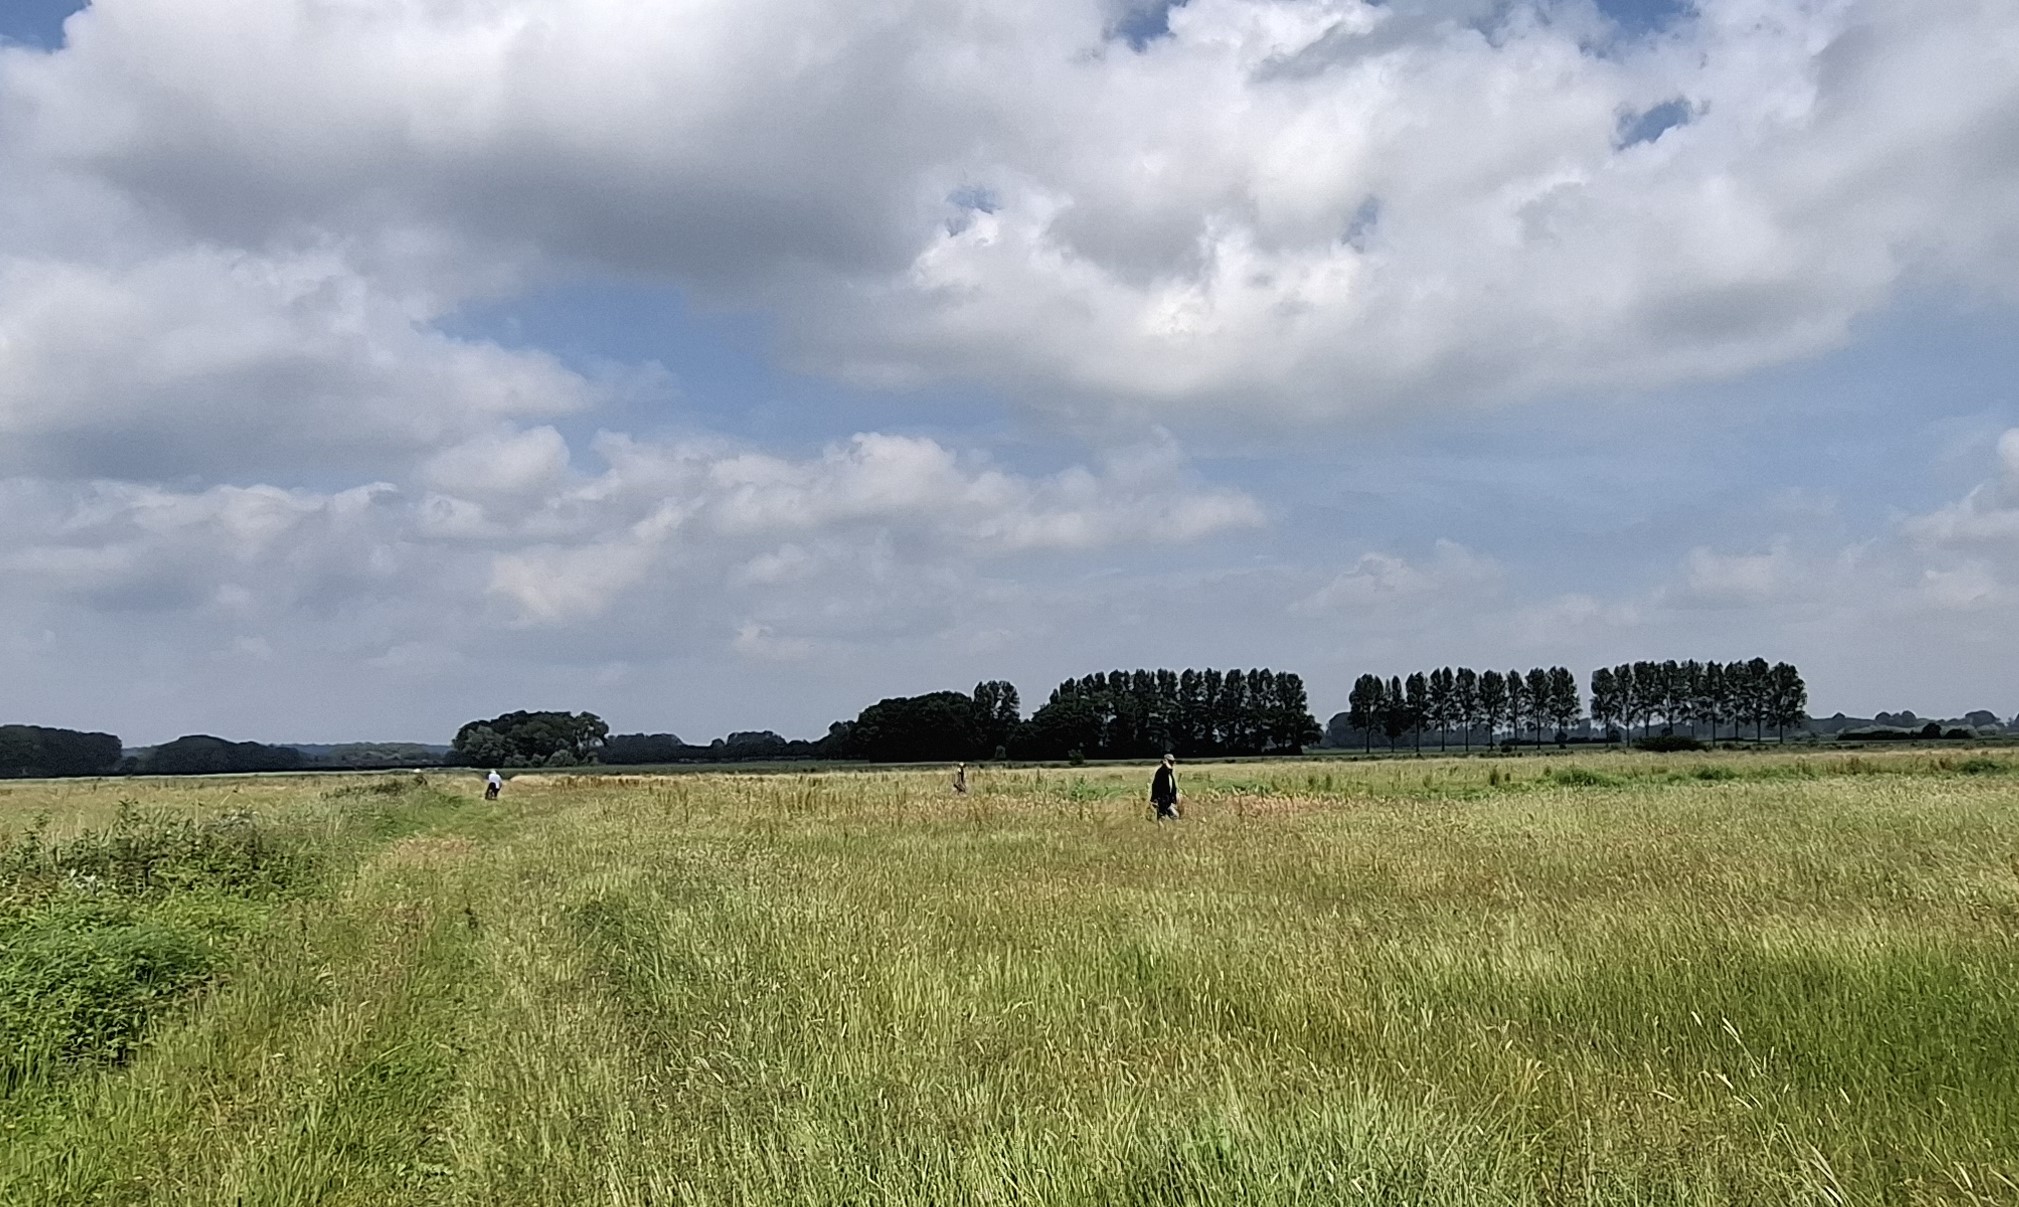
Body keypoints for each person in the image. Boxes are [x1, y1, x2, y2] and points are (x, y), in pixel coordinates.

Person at [1149, 754, 1181, 820]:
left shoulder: (1169, 772)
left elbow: (1172, 787)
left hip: (1168, 800)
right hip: (1162, 800)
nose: (1172, 764)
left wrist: (1174, 798)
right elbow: (1155, 786)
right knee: (1173, 817)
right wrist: (1155, 799)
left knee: (1165, 818)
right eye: (1170, 762)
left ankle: (1163, 828)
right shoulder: (1161, 772)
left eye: (1172, 762)